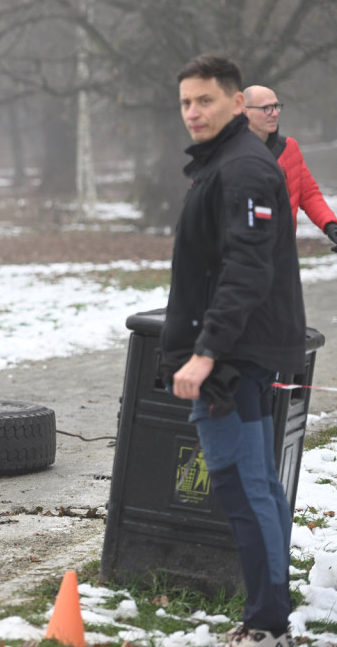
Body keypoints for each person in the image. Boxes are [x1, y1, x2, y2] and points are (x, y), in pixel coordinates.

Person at [163, 55, 305, 647]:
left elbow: (247, 269)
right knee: (257, 484)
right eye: (186, 103)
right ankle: (270, 613)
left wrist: (206, 353)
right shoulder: (224, 162)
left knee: (242, 485)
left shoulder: (242, 167)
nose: (194, 112)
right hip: (235, 349)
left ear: (236, 104)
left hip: (231, 355)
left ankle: (269, 624)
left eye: (206, 101)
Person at [243, 84, 337, 250]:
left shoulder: (289, 148)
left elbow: (309, 195)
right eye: (266, 108)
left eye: (276, 106)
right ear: (244, 112)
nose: (274, 113)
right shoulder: (224, 154)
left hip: (284, 255)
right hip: (241, 259)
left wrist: (330, 225)